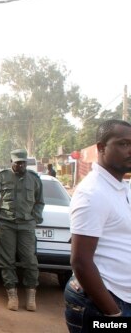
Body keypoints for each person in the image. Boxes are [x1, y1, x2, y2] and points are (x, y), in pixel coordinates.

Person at [64, 119, 131, 332]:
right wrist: (114, 315)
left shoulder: (121, 188)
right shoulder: (93, 193)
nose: (130, 150)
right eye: (123, 144)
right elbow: (81, 261)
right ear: (101, 148)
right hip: (102, 304)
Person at [0, 149, 45, 312]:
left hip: (26, 225)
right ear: (11, 161)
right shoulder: (1, 176)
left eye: (23, 162)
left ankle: (31, 295)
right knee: (7, 260)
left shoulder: (34, 179)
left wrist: (35, 217)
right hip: (6, 223)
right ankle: (12, 295)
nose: (21, 165)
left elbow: (40, 201)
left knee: (30, 261)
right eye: (18, 162)